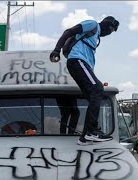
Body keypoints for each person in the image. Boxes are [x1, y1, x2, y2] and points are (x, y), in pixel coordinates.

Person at [49, 16, 119, 145]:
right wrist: (56, 50)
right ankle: (90, 132)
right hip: (77, 61)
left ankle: (85, 136)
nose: (109, 33)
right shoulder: (92, 24)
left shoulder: (96, 36)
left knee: (93, 96)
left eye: (112, 32)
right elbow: (68, 32)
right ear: (105, 23)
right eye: (109, 29)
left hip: (83, 64)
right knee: (97, 89)